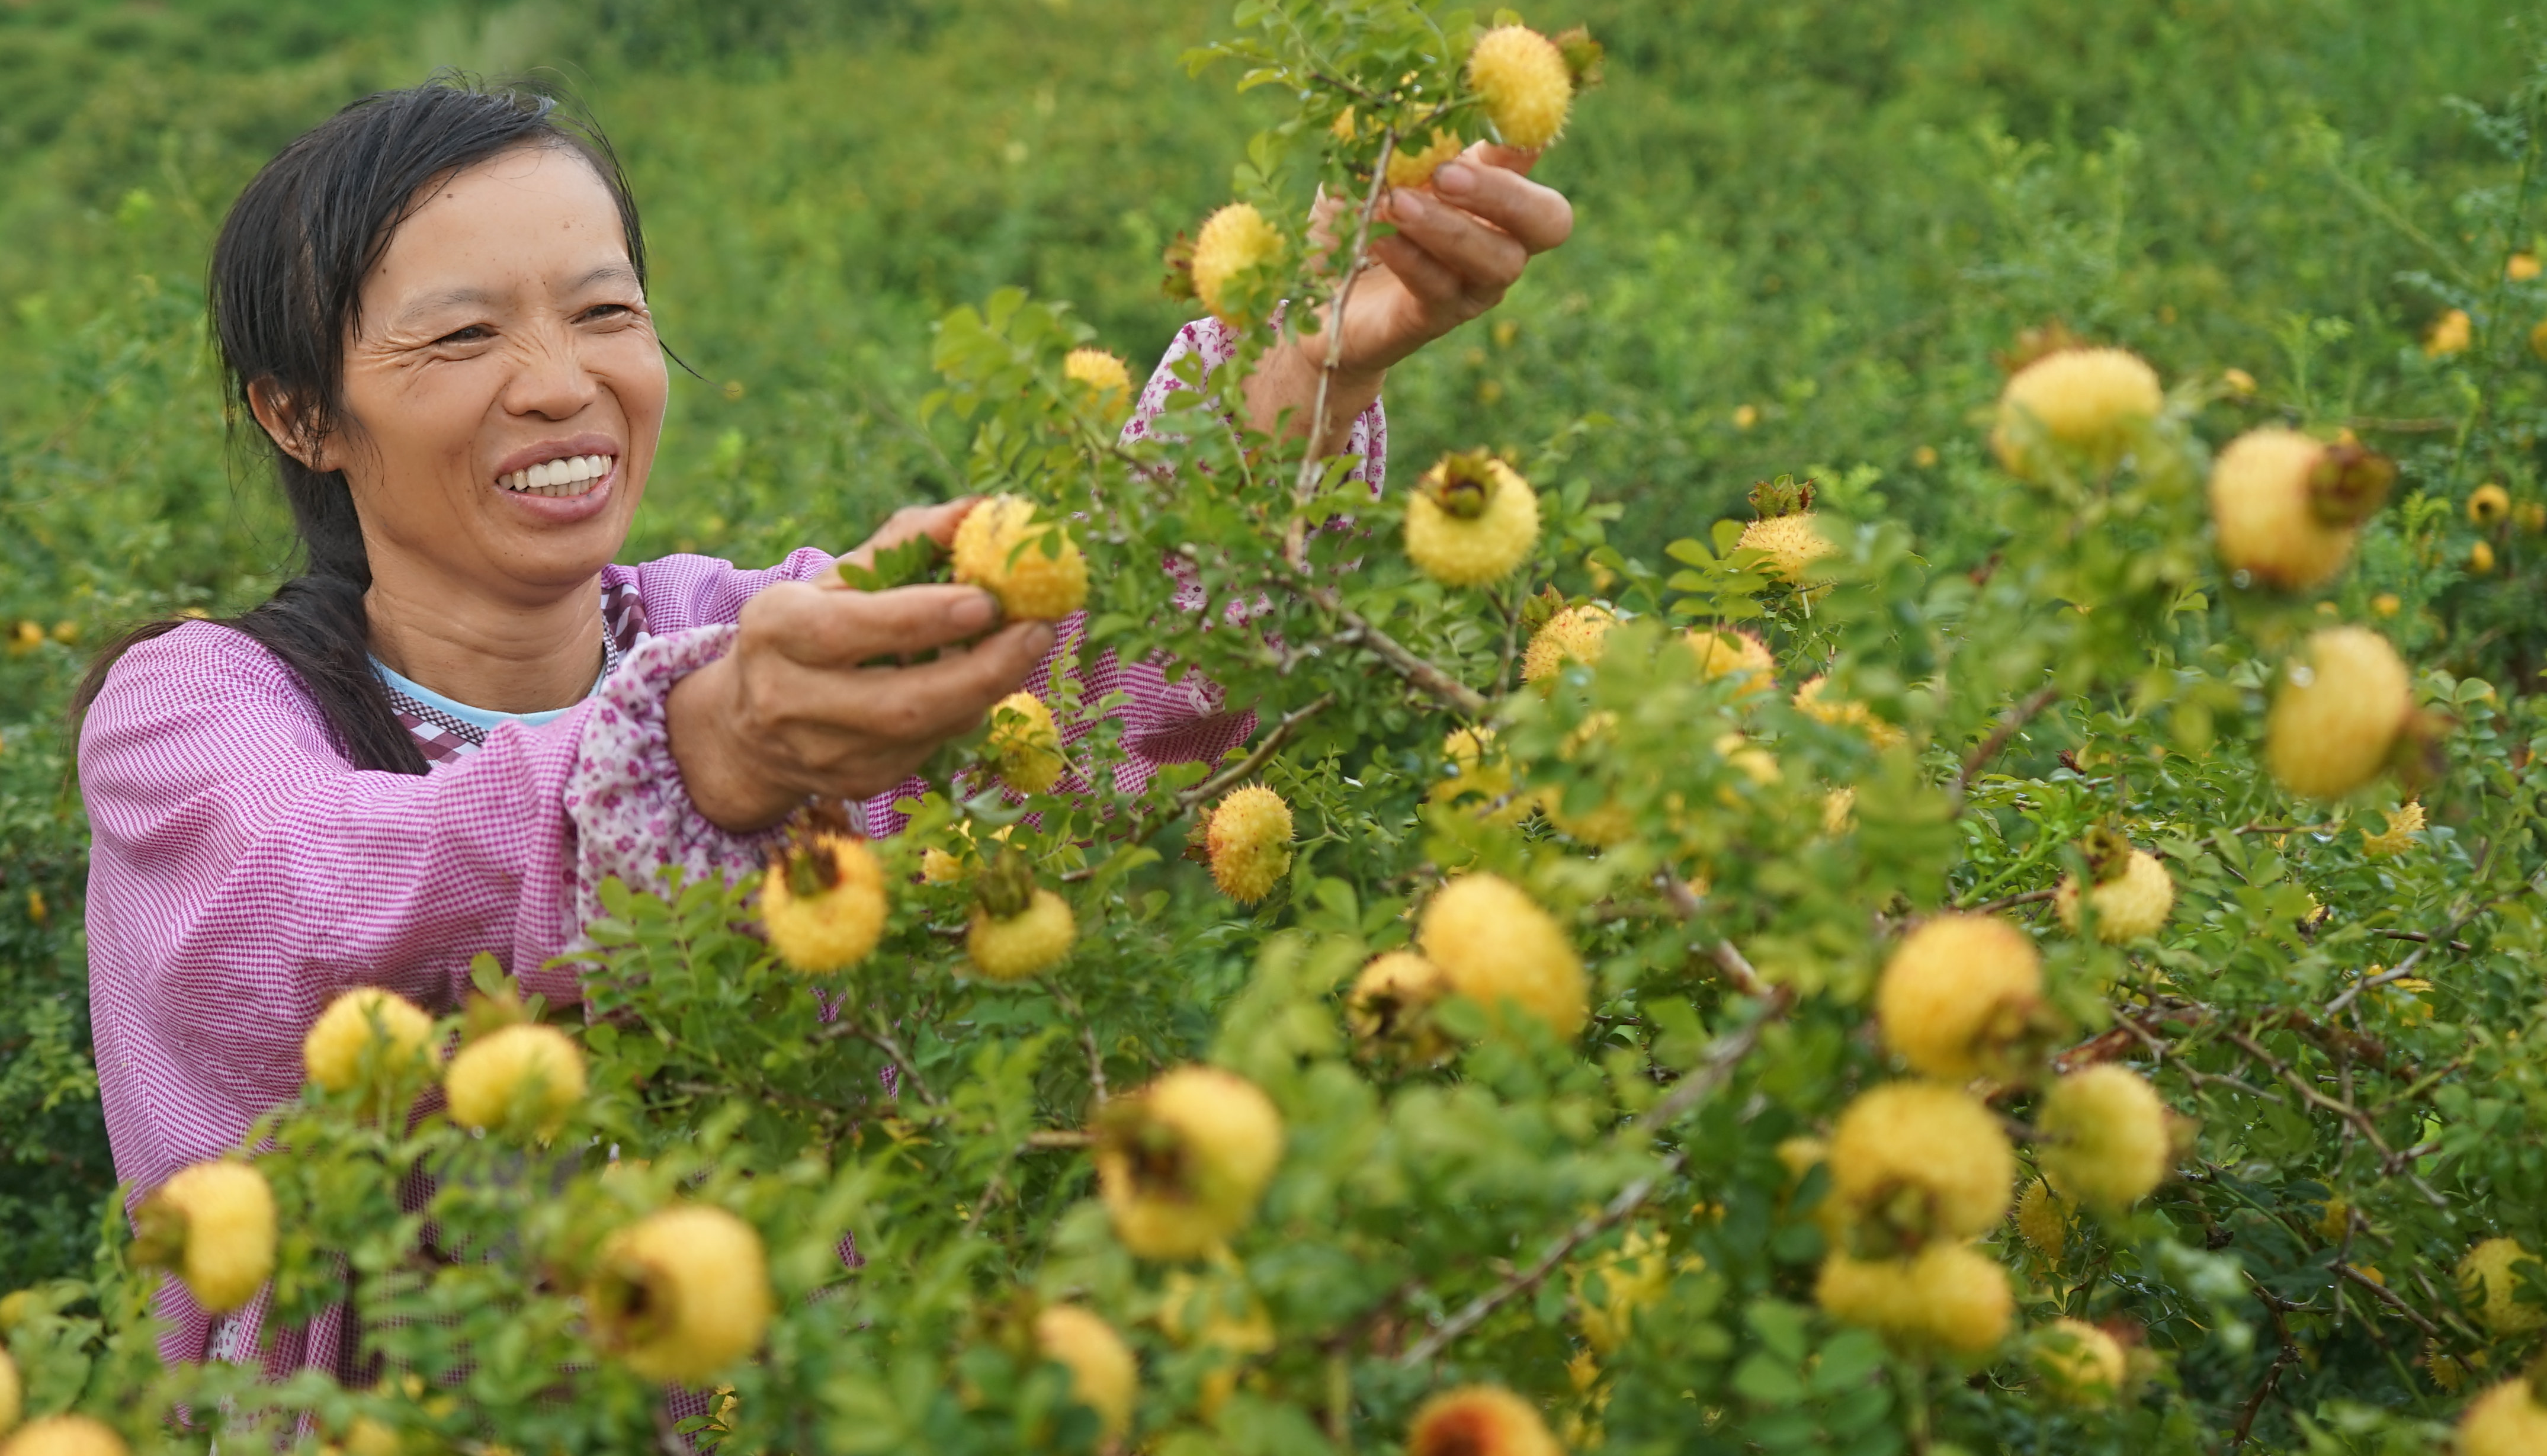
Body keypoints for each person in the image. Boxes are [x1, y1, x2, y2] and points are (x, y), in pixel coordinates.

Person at [78, 77, 1572, 1372]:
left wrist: (1301, 363)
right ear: (302, 414)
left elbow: (1084, 657)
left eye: (607, 313)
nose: (561, 384)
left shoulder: (721, 630)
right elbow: (299, 912)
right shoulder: (199, 712)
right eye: (461, 339)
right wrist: (698, 756)